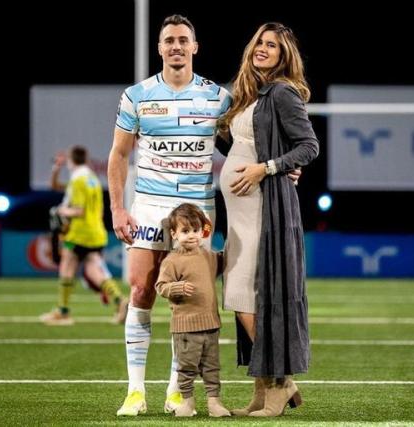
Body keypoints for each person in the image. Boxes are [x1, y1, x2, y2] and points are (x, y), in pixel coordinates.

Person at [107, 14, 232, 416]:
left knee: (190, 302)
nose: (176, 46)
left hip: (196, 213)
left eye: (183, 40)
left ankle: (178, 390)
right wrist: (117, 207)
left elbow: (240, 148)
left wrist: (282, 166)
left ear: (195, 47)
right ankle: (136, 392)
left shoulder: (218, 97)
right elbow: (119, 155)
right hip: (149, 206)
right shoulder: (137, 95)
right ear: (159, 48)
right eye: (169, 41)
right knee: (141, 292)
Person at [217, 22, 319, 417]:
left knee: (246, 295)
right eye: (260, 42)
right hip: (239, 213)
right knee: (244, 296)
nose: (263, 49)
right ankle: (263, 388)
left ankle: (281, 382)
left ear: (283, 54)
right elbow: (238, 143)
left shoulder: (282, 93)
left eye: (272, 45)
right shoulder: (247, 94)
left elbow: (308, 146)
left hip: (264, 209)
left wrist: (268, 168)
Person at [154, 203, 231, 417]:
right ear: (174, 234)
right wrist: (177, 287)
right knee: (187, 367)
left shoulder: (208, 256)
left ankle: (214, 403)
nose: (192, 236)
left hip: (211, 324)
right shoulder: (172, 261)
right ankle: (187, 403)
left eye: (196, 230)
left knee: (212, 367)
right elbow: (160, 286)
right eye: (185, 231)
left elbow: (226, 259)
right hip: (186, 327)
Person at [40, 146, 129, 326]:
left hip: (79, 234)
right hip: (96, 232)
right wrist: (56, 170)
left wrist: (61, 210)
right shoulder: (91, 178)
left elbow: (78, 211)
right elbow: (56, 186)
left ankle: (63, 311)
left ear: (71, 161)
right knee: (93, 269)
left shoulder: (77, 180)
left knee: (67, 266)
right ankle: (119, 300)